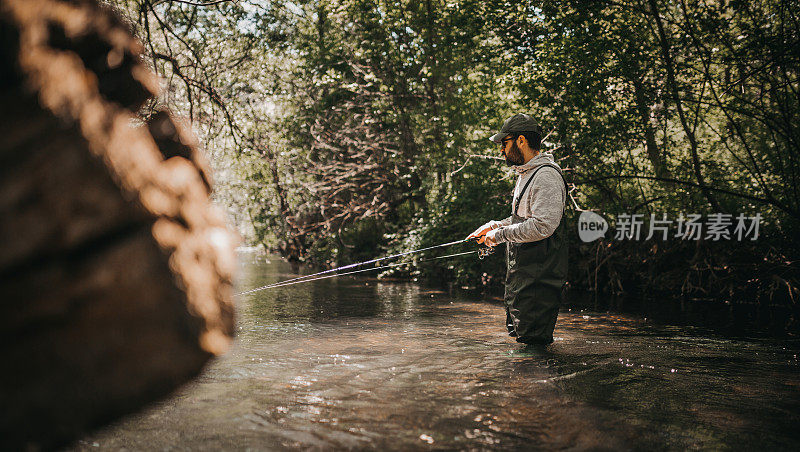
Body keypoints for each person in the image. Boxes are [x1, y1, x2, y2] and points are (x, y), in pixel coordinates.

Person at [467, 113, 568, 345]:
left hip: (539, 282)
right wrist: (494, 226)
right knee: (522, 347)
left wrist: (499, 235)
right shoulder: (526, 174)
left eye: (505, 143)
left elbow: (543, 226)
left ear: (521, 141)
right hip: (522, 279)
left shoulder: (546, 177)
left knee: (534, 352)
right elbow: (522, 219)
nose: (502, 150)